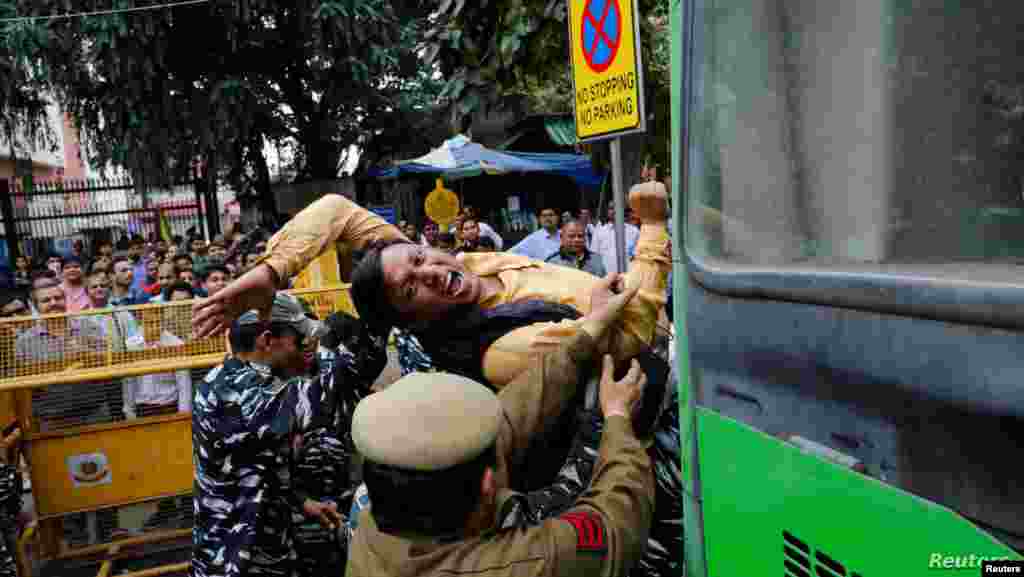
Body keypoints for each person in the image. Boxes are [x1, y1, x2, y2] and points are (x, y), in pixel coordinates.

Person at [191, 184, 670, 389]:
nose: (432, 272)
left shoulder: (460, 264)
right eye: (410, 289)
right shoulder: (497, 348)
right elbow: (633, 333)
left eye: (420, 257)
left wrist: (271, 272)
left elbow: (337, 210)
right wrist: (651, 227)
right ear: (411, 320)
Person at [346, 278, 653, 576]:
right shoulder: (528, 563)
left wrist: (585, 336)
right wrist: (617, 419)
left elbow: (509, 416)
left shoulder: (376, 525)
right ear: (488, 485)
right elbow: (616, 522)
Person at [191, 293, 370, 577]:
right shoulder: (233, 392)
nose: (304, 345)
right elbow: (321, 400)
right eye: (297, 338)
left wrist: (301, 502)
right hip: (235, 560)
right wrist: (330, 348)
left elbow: (261, 463)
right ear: (266, 340)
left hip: (268, 545)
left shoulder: (246, 380)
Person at [122, 282, 193, 419]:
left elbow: (183, 383)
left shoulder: (176, 344)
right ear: (140, 321)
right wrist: (129, 411)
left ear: (163, 320)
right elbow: (129, 382)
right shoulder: (130, 345)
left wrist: (183, 414)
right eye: (149, 323)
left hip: (169, 406)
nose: (154, 327)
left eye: (157, 322)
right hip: (142, 407)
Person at [592, 203, 640, 275]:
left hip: (628, 277)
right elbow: (594, 256)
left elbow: (638, 255)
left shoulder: (634, 231)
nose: (614, 210)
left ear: (623, 211)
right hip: (605, 277)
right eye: (611, 208)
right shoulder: (599, 231)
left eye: (617, 207)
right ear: (607, 211)